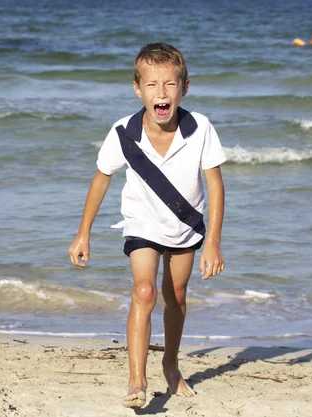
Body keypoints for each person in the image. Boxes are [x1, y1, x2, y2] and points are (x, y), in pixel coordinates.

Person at [68, 43, 226, 409]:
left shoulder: (200, 128)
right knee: (144, 292)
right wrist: (83, 233)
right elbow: (102, 178)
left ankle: (170, 364)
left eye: (170, 84)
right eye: (152, 84)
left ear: (185, 87)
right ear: (137, 89)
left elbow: (215, 184)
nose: (161, 92)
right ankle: (136, 378)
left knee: (177, 297)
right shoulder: (123, 132)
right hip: (141, 223)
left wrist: (214, 242)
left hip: (185, 225)